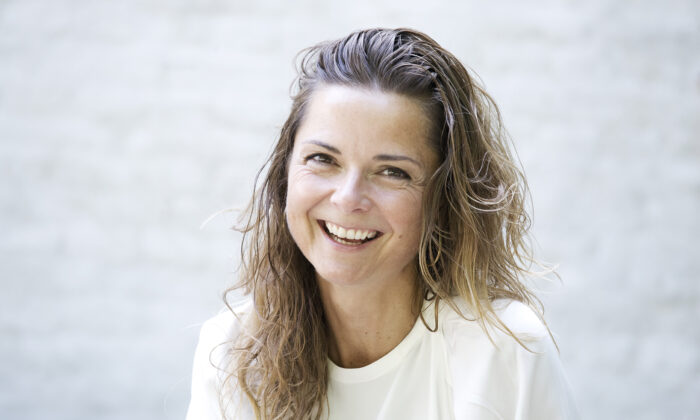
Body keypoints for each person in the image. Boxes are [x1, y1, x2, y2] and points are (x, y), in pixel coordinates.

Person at [186, 28, 580, 419]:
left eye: (393, 172)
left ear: (445, 198)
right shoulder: (233, 353)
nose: (347, 198)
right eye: (323, 159)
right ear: (285, 172)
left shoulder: (505, 354)